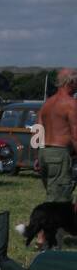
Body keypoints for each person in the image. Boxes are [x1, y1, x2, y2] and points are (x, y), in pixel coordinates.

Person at [36, 68, 77, 202]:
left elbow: (37, 131)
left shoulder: (46, 104)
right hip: (59, 154)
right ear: (71, 82)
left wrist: (38, 156)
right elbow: (75, 135)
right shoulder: (71, 104)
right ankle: (52, 223)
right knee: (59, 201)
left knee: (52, 194)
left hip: (44, 154)